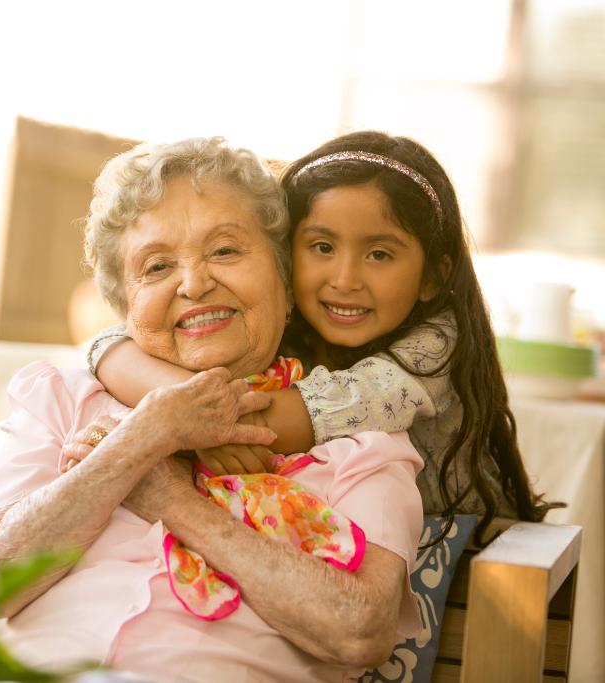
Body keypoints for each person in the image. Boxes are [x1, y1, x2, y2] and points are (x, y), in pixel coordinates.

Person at [0, 137, 425, 682]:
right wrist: (141, 439)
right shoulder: (64, 399)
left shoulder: (360, 445)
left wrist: (169, 499)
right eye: (156, 267)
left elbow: (359, 631)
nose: (194, 283)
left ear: (284, 280)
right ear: (125, 306)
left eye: (225, 251)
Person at [82, 131, 556, 543]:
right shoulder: (287, 321)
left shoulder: (433, 351)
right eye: (322, 247)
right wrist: (181, 410)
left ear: (433, 275)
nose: (344, 278)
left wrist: (188, 421)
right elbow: (108, 345)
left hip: (460, 567)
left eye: (379, 254)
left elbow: (277, 421)